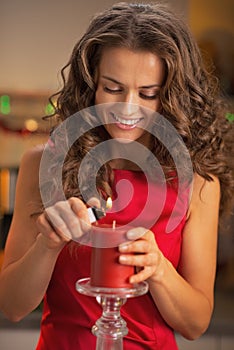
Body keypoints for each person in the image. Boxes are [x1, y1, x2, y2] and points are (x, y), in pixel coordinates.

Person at [0, 2, 233, 349]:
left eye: (148, 94)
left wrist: (158, 269)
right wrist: (47, 245)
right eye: (112, 88)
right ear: (91, 83)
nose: (127, 109)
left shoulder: (198, 182)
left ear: (171, 95)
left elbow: (195, 324)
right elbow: (12, 307)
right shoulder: (45, 164)